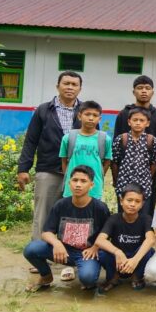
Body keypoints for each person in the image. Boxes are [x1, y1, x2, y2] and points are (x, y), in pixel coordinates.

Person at [17, 71, 84, 242]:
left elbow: (93, 140)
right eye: (66, 83)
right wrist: (23, 168)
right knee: (43, 215)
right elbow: (31, 140)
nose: (70, 87)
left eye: (74, 84)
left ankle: (67, 252)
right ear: (58, 86)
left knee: (72, 215)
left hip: (77, 173)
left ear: (80, 89)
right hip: (48, 170)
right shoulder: (44, 110)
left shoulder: (86, 111)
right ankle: (39, 251)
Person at [23, 165, 110, 291]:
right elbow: (46, 232)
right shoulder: (61, 205)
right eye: (75, 180)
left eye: (83, 181)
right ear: (69, 183)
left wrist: (95, 247)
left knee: (88, 278)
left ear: (91, 185)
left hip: (86, 254)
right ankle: (46, 276)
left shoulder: (100, 208)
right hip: (63, 251)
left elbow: (107, 233)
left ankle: (88, 274)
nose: (78, 185)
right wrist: (57, 243)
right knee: (31, 249)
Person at [113, 75, 156, 216]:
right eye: (140, 88)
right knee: (125, 210)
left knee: (146, 210)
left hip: (148, 176)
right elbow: (116, 151)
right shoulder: (123, 114)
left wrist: (155, 175)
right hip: (125, 175)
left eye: (147, 88)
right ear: (134, 92)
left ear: (152, 92)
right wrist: (116, 178)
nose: (144, 91)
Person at [95, 183, 155, 292]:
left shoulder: (146, 219)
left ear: (142, 204)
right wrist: (117, 252)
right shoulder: (113, 219)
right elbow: (100, 240)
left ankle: (137, 277)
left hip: (136, 258)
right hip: (118, 260)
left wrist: (135, 260)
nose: (132, 204)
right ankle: (113, 278)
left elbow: (151, 239)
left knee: (148, 251)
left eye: (137, 201)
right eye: (129, 200)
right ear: (121, 201)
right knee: (102, 253)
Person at [111, 107, 156, 213]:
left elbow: (155, 162)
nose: (138, 123)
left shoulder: (152, 141)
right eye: (135, 120)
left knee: (143, 213)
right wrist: (116, 180)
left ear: (147, 123)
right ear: (129, 122)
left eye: (142, 120)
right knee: (123, 213)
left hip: (144, 185)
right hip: (124, 184)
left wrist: (147, 176)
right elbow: (114, 162)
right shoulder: (121, 139)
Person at [59, 100, 112, 199]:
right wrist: (69, 178)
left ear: (99, 119)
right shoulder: (68, 138)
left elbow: (107, 161)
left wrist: (98, 176)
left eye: (95, 115)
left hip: (94, 188)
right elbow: (64, 161)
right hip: (72, 188)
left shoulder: (105, 139)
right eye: (87, 114)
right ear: (79, 116)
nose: (91, 118)